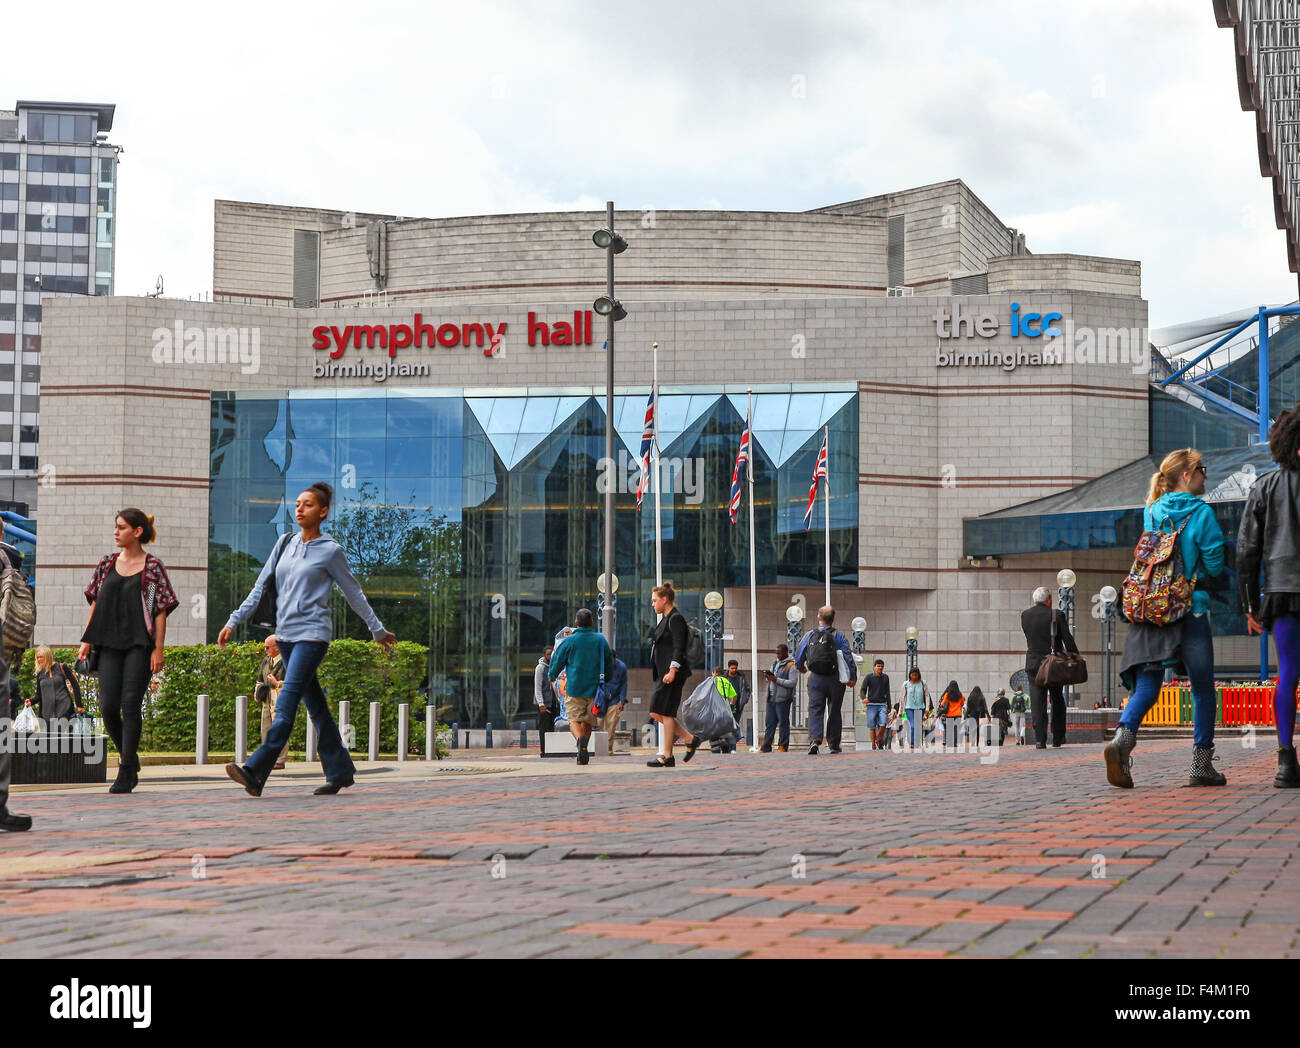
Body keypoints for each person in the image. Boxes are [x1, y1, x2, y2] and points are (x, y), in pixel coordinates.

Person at [221, 483, 396, 797]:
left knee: (285, 705)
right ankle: (340, 771)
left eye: (308, 504)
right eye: (298, 504)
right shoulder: (284, 543)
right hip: (286, 637)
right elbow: (260, 587)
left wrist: (377, 629)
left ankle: (255, 770)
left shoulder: (331, 550)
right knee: (316, 709)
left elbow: (353, 592)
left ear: (323, 511)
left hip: (313, 636)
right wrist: (234, 619)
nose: (300, 509)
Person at [1107, 448, 1226, 789]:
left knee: (1148, 685)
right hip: (1190, 609)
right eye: (1201, 469)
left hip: (1151, 608)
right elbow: (1215, 565)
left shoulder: (1153, 510)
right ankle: (1201, 766)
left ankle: (1122, 740)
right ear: (1186, 475)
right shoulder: (1201, 513)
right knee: (1203, 688)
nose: (1206, 475)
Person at [78, 509, 180, 795]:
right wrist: (85, 640)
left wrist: (158, 650)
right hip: (107, 644)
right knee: (108, 706)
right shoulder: (106, 563)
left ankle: (125, 771)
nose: (116, 532)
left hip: (140, 644)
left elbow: (160, 610)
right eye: (116, 527)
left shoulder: (153, 567)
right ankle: (131, 759)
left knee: (130, 704)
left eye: (121, 527)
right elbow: (96, 602)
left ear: (137, 532)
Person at [1239, 407, 1300, 788]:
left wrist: (1249, 605)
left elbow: (1246, 550)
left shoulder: (1263, 487)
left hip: (1280, 593)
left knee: (1287, 675)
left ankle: (1285, 762)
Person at [546, 608, 615, 766]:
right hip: (594, 689)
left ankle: (580, 741)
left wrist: (551, 676)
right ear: (591, 622)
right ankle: (582, 747)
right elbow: (609, 662)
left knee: (573, 721)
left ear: (576, 623)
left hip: (574, 688)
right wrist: (608, 679)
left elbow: (557, 661)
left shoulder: (569, 641)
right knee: (588, 722)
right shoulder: (600, 639)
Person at [645, 582, 698, 768]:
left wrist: (673, 670)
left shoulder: (675, 619)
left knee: (665, 712)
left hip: (672, 673)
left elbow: (678, 646)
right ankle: (688, 738)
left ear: (664, 599)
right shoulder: (666, 618)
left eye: (654, 600)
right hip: (664, 673)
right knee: (658, 711)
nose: (652, 604)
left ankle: (667, 755)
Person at [1021, 587, 1079, 748]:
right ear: (1049, 600)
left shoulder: (1025, 615)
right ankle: (1058, 737)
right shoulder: (1057, 615)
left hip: (1033, 664)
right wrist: (1075, 656)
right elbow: (1067, 639)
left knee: (1037, 701)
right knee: (1057, 699)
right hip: (1053, 664)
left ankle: (1040, 739)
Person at [795, 605, 856, 754]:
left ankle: (815, 740)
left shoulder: (809, 635)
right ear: (833, 619)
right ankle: (834, 743)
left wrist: (801, 667)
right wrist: (852, 676)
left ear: (818, 617)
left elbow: (799, 653)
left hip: (815, 678)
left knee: (815, 709)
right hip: (835, 678)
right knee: (834, 710)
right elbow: (847, 656)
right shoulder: (839, 636)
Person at [255, 635, 289, 770]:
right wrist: (257, 692)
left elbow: (294, 683)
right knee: (266, 730)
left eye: (267, 647)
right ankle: (267, 758)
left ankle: (280, 761)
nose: (265, 649)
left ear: (277, 647)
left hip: (280, 702)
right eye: (265, 646)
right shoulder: (266, 660)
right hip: (267, 701)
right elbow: (259, 680)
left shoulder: (287, 661)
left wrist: (277, 683)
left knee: (280, 730)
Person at [31, 645, 83, 726]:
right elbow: (38, 695)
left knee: (61, 737)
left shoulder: (62, 667)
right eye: (37, 657)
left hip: (65, 710)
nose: (39, 659)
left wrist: (79, 705)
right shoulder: (40, 673)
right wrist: (30, 702)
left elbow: (75, 686)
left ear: (47, 656)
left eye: (41, 657)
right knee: (50, 738)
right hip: (47, 714)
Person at [759, 643, 797, 752]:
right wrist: (768, 677)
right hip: (771, 697)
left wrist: (777, 680)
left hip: (783, 698)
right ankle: (766, 746)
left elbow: (792, 682)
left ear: (785, 652)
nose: (778, 655)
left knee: (783, 722)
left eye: (779, 653)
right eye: (776, 653)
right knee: (770, 723)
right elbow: (772, 679)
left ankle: (783, 745)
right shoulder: (774, 663)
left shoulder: (791, 665)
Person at [860, 658, 891, 750]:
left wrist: (889, 705)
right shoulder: (869, 677)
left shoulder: (886, 677)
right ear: (874, 667)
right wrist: (863, 698)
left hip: (882, 704)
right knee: (872, 726)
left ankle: (878, 739)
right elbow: (863, 690)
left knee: (883, 723)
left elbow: (888, 692)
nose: (880, 668)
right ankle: (873, 744)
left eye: (882, 666)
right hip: (871, 704)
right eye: (878, 666)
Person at [534, 645, 560, 756]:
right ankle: (543, 750)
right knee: (544, 728)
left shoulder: (556, 666)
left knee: (553, 727)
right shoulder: (540, 668)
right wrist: (541, 703)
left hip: (555, 703)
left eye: (552, 653)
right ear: (544, 655)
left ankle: (552, 750)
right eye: (548, 654)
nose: (550, 655)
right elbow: (538, 687)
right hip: (544, 704)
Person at [602, 653, 628, 750]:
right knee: (598, 724)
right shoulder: (601, 665)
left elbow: (624, 684)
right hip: (601, 698)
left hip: (615, 699)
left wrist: (622, 700)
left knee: (611, 725)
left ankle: (608, 748)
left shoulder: (622, 667)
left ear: (615, 658)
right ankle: (598, 748)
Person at [901, 666, 930, 749]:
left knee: (918, 726)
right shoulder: (906, 684)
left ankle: (917, 741)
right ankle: (913, 743)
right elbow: (902, 698)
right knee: (913, 725)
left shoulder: (923, 683)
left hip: (920, 708)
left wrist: (927, 709)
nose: (914, 677)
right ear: (910, 675)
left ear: (918, 675)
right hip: (909, 708)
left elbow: (927, 696)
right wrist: (901, 711)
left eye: (915, 675)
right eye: (912, 675)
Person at [725, 659, 750, 751]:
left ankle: (732, 747)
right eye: (732, 668)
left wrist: (744, 701)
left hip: (737, 706)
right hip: (726, 706)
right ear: (728, 668)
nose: (734, 670)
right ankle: (728, 747)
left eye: (735, 668)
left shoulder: (741, 677)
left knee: (734, 726)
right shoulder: (724, 677)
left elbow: (747, 689)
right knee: (727, 726)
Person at [937, 680, 964, 749]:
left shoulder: (947, 694)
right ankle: (955, 743)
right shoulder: (960, 695)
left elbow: (942, 703)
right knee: (956, 729)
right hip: (958, 714)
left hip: (949, 714)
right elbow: (962, 703)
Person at [964, 685, 990, 749]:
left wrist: (966, 715)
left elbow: (968, 708)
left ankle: (973, 742)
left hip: (972, 715)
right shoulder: (981, 697)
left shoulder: (970, 697)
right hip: (980, 715)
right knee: (978, 729)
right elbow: (985, 707)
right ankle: (977, 743)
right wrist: (988, 715)